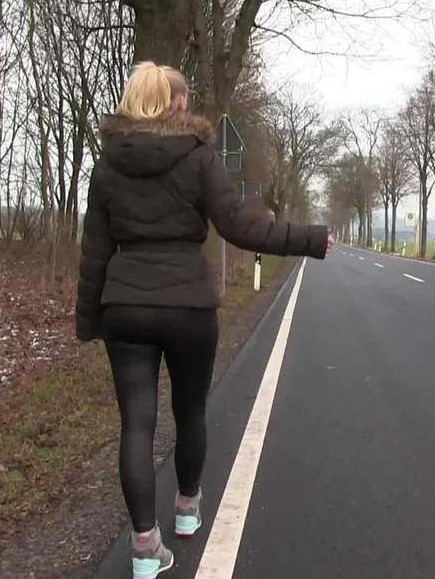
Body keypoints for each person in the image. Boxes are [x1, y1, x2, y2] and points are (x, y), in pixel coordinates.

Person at [75, 61, 331, 579]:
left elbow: (94, 251)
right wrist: (307, 239)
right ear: (173, 102)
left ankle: (145, 547)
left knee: (136, 423)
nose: (187, 103)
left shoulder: (108, 165)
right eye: (184, 97)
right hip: (188, 307)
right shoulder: (198, 157)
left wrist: (89, 320)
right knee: (190, 412)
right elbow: (238, 225)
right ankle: (188, 510)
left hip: (125, 307)